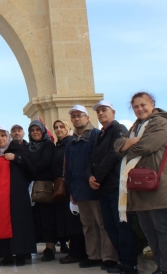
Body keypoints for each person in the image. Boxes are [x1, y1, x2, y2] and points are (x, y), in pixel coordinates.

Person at [115, 92, 167, 274]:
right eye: (136, 106)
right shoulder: (137, 127)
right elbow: (117, 145)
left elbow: (146, 146)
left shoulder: (160, 123)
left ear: (152, 103)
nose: (140, 109)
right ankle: (161, 266)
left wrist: (127, 145)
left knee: (163, 228)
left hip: (159, 186)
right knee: (149, 230)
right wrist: (128, 143)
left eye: (143, 105)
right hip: (141, 186)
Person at [65, 105, 117, 269]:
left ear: (87, 118)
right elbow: (69, 167)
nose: (76, 118)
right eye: (73, 116)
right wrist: (71, 189)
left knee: (102, 223)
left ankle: (108, 257)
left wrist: (96, 179)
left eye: (80, 115)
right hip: (79, 190)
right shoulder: (71, 141)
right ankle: (93, 255)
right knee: (88, 225)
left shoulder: (96, 135)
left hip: (94, 188)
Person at [88, 100, 136, 273]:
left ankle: (130, 264)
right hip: (103, 188)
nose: (101, 113)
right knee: (110, 226)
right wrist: (90, 176)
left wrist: (97, 177)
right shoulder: (100, 134)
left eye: (104, 110)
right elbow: (93, 158)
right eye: (98, 111)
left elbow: (114, 154)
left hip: (115, 186)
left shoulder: (118, 129)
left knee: (121, 226)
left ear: (113, 112)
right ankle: (123, 260)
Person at [0, 125, 37, 266]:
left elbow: (32, 168)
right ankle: (5, 253)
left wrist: (16, 158)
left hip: (17, 194)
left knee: (19, 222)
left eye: (3, 136)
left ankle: (21, 253)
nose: (0, 139)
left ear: (8, 137)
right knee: (2, 222)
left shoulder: (19, 149)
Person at [51, 119, 87, 265]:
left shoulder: (71, 142)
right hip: (62, 189)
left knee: (74, 221)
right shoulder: (58, 145)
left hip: (71, 186)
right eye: (56, 127)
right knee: (68, 220)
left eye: (61, 127)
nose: (59, 129)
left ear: (67, 128)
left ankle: (77, 252)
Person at [26, 120, 57, 262]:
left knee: (47, 218)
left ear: (43, 131)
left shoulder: (48, 145)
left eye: (37, 129)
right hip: (32, 187)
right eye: (32, 130)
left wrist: (29, 169)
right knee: (36, 218)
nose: (35, 132)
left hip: (44, 187)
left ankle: (50, 248)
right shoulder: (29, 146)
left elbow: (45, 162)